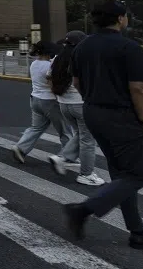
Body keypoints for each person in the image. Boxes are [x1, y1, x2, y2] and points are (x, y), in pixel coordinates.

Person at [64, 0, 143, 250]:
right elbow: (139, 88)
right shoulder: (128, 47)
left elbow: (77, 83)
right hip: (123, 118)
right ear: (121, 18)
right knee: (135, 175)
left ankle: (138, 232)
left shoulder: (82, 46)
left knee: (121, 176)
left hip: (93, 113)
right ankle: (82, 210)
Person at [47, 31, 105, 186]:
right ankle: (86, 174)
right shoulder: (82, 58)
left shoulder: (58, 59)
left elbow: (49, 77)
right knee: (88, 140)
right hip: (80, 103)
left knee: (81, 134)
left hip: (64, 104)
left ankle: (63, 157)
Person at [11, 40, 74, 165]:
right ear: (49, 52)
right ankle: (67, 156)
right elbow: (55, 82)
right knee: (65, 130)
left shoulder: (34, 64)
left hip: (35, 99)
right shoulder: (49, 66)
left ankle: (21, 147)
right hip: (50, 101)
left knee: (36, 127)